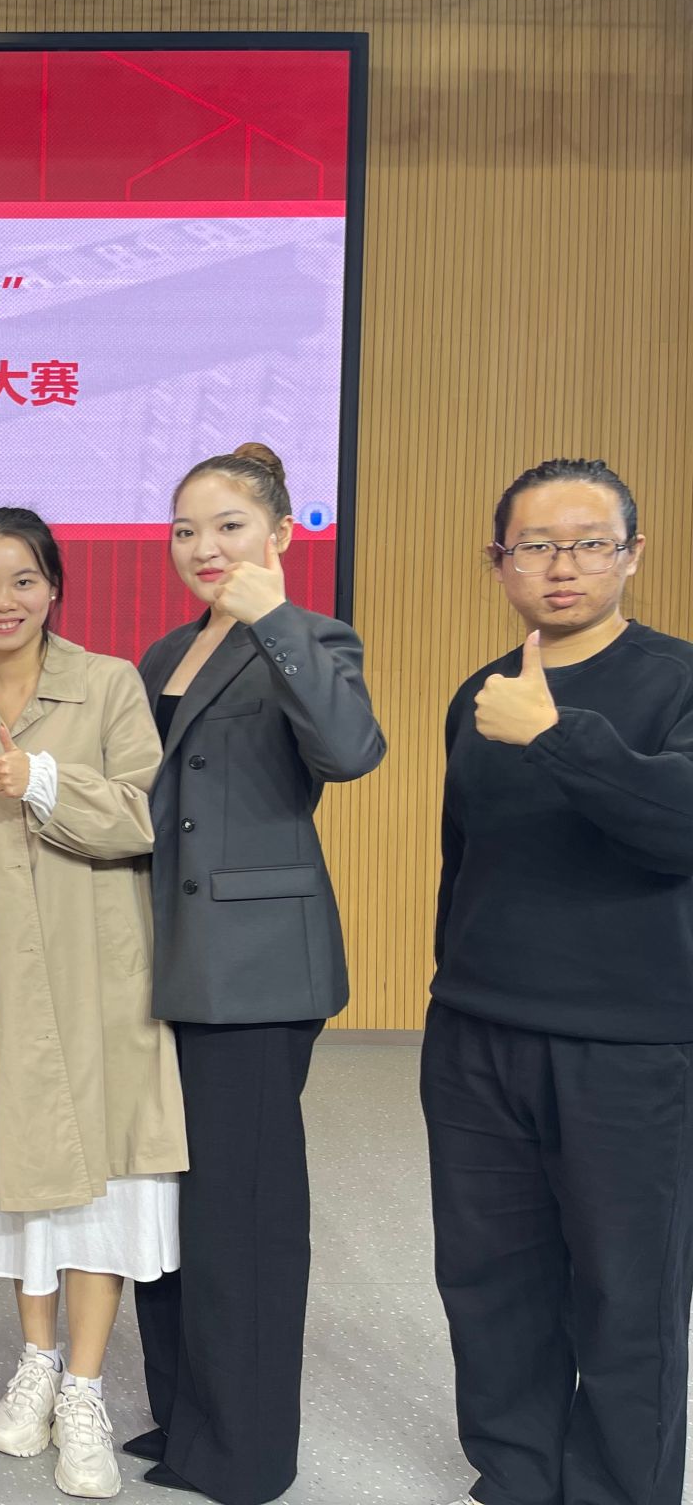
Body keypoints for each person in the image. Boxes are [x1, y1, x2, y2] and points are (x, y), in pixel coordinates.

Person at [426, 458, 692, 1505]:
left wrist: (556, 738)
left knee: (627, 1294)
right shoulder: (480, 695)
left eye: (588, 543)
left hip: (627, 1047)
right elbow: (462, 860)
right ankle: (516, 1476)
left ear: (632, 554)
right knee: (489, 1282)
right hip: (477, 1034)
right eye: (534, 546)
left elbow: (678, 827)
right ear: (499, 564)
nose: (561, 565)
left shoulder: (676, 680)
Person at [130, 443, 384, 1504]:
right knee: (167, 1207)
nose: (203, 547)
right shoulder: (161, 653)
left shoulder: (311, 636)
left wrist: (273, 617)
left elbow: (349, 751)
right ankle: (184, 1418)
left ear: (279, 534)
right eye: (184, 529)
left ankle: (245, 1452)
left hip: (253, 968)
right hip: (157, 960)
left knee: (243, 1213)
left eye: (228, 525)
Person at [0, 508, 186, 1499]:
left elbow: (146, 815)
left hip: (103, 979)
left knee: (104, 1185)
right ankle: (34, 1360)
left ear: (52, 587)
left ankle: (83, 1386)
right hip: (4, 980)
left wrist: (44, 780)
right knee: (24, 1181)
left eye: (22, 581)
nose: (3, 602)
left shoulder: (109, 684)